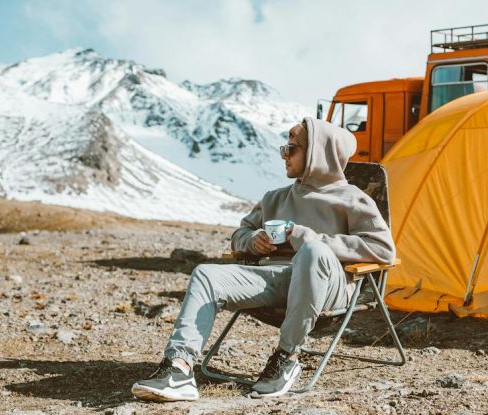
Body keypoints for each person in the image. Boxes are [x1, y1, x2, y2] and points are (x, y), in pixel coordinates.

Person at [131, 117, 395, 402]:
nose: (284, 155)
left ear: (318, 152)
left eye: (292, 149)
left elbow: (382, 249)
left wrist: (306, 236)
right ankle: (179, 368)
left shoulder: (352, 199)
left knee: (312, 251)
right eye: (284, 148)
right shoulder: (275, 198)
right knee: (206, 274)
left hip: (328, 286)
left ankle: (287, 357)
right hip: (275, 280)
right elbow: (239, 235)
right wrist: (252, 241)